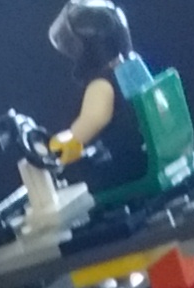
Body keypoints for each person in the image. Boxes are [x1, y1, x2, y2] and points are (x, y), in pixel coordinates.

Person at [45, 1, 149, 196]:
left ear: (86, 49)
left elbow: (86, 128)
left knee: (79, 181)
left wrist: (52, 152)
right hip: (145, 153)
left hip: (131, 166)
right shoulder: (133, 68)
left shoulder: (101, 85)